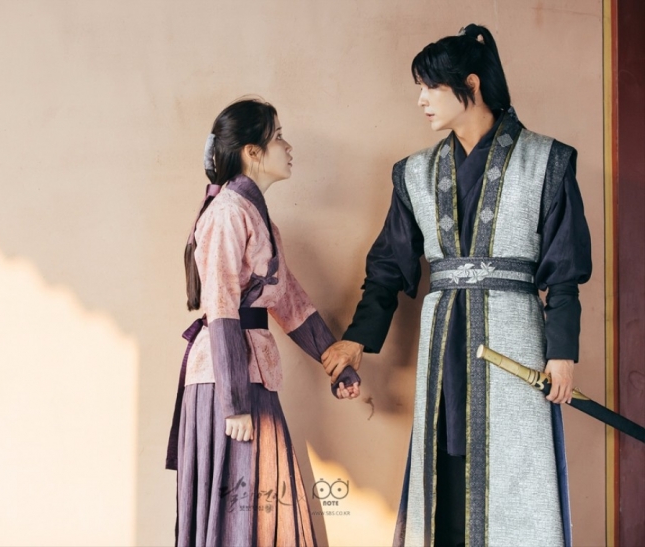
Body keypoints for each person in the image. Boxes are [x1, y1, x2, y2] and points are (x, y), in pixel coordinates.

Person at [322, 24, 592, 547]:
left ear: (471, 84)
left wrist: (562, 352)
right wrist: (358, 339)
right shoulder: (415, 173)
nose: (421, 100)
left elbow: (564, 268)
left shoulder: (546, 161)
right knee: (445, 466)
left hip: (516, 346)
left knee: (516, 467)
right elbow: (388, 267)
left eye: (431, 87)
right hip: (444, 343)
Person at [166, 98, 360, 547]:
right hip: (226, 383)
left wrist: (336, 362)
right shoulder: (227, 213)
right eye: (279, 138)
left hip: (249, 377)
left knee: (260, 514)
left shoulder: (259, 221)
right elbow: (221, 305)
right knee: (243, 514)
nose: (288, 148)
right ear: (252, 152)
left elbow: (290, 302)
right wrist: (234, 402)